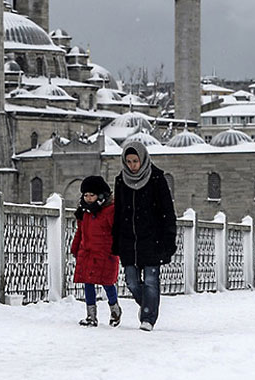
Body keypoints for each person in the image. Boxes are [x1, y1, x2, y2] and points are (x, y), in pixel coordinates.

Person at [112, 140, 177, 332]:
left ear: (143, 159)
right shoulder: (121, 180)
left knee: (150, 280)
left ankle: (148, 317)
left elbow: (167, 211)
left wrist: (168, 239)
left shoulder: (156, 179)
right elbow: (119, 213)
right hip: (129, 241)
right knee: (131, 281)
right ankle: (149, 304)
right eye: (129, 161)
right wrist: (116, 241)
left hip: (153, 239)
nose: (132, 166)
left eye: (135, 161)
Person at [69, 175, 121, 327]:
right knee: (88, 283)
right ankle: (91, 316)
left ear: (101, 195)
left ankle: (114, 309)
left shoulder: (110, 211)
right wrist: (75, 247)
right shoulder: (84, 212)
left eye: (92, 195)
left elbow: (117, 231)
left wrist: (118, 248)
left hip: (105, 253)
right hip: (87, 252)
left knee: (107, 283)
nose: (89, 198)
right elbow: (80, 232)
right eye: (86, 195)